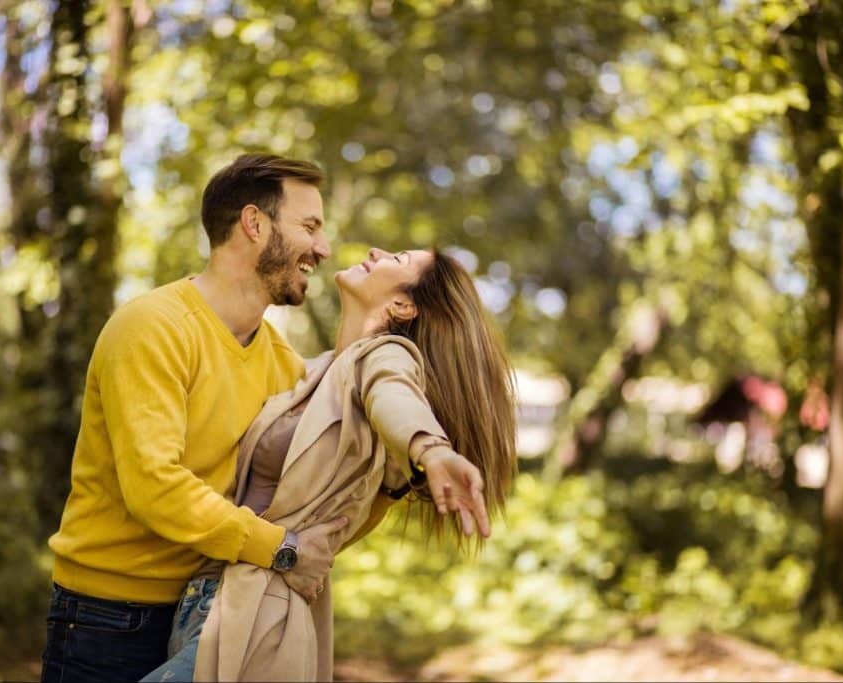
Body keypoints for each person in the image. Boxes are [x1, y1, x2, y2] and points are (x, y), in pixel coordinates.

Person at [40, 154, 352, 683]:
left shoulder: (281, 362)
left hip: (209, 612)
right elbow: (155, 487)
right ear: (255, 224)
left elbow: (313, 490)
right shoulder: (153, 328)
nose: (322, 248)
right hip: (107, 619)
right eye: (309, 226)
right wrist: (281, 550)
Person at [141, 246, 517, 681]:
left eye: (396, 259)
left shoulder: (385, 357)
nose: (377, 250)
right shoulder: (318, 374)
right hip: (213, 599)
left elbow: (392, 393)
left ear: (401, 305)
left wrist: (430, 449)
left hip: (258, 615)